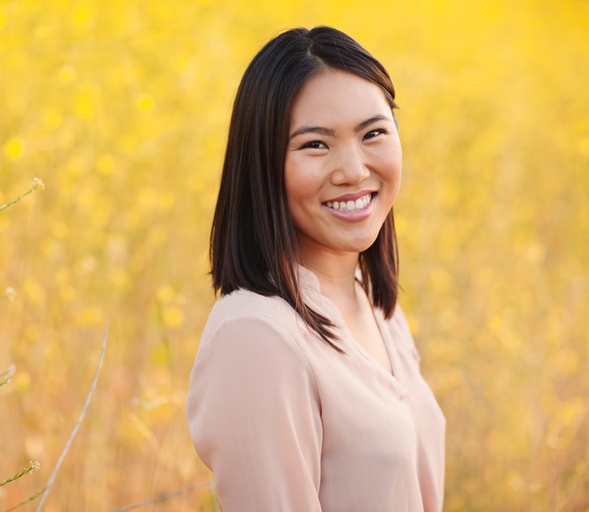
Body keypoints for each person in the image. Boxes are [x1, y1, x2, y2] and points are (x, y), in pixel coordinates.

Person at [185, 26, 447, 512]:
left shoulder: (373, 302)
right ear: (263, 165)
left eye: (373, 134)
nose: (353, 169)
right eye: (315, 145)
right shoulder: (255, 337)